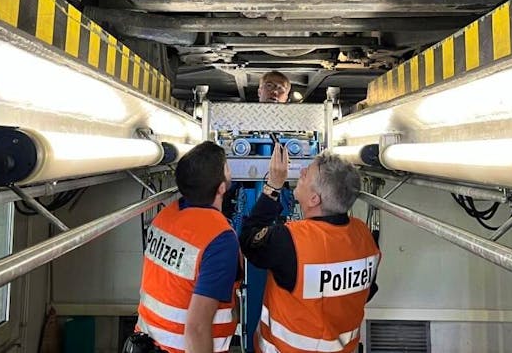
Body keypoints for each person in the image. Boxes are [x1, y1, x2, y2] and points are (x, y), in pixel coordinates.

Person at [239, 146, 380, 353]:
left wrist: (273, 186)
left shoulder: (291, 240)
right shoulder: (364, 235)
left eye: (307, 174)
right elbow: (367, 292)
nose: (302, 172)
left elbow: (248, 238)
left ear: (315, 199)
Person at [129, 142, 242, 353]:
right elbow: (197, 328)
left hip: (146, 342)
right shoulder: (220, 239)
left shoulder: (165, 216)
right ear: (221, 187)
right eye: (227, 167)